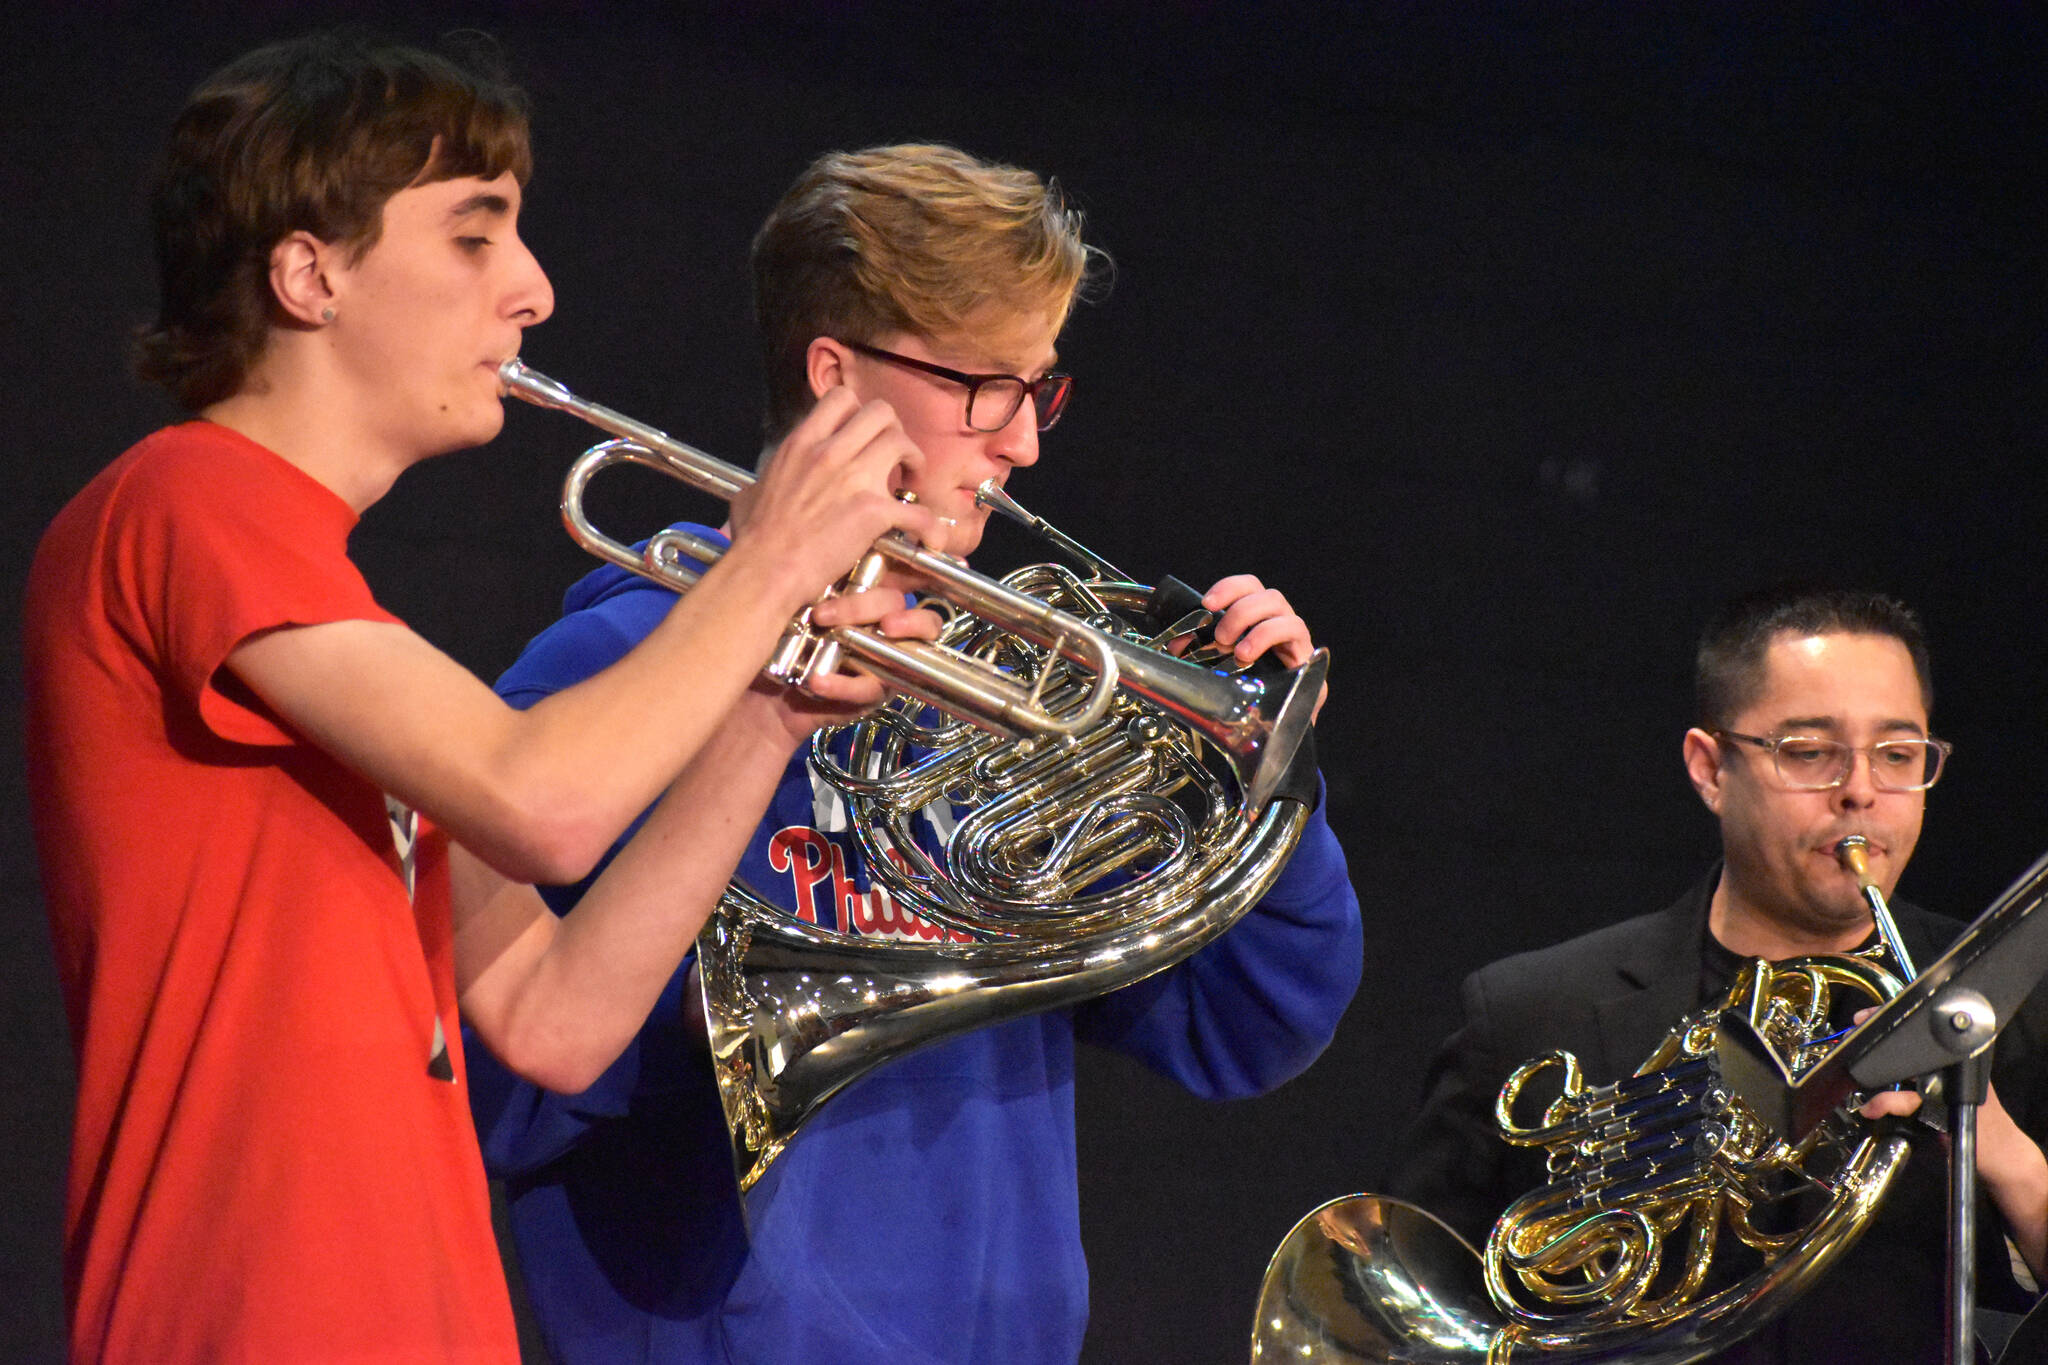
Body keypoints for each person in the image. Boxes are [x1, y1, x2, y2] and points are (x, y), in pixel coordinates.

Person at [22, 34, 941, 1363]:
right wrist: (771, 561)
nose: (534, 291)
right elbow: (547, 803)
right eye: (473, 236)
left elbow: (560, 1018)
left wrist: (771, 716)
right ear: (308, 273)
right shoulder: (190, 501)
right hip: (250, 1317)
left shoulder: (334, 636)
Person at [466, 143, 1364, 1364]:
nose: (1022, 446)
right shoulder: (606, 670)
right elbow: (501, 1077)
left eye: (1036, 390)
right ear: (835, 376)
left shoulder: (1011, 695)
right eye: (983, 390)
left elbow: (1247, 1024)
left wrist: (1253, 764)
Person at [1387, 586, 2048, 1364]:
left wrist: (2002, 1149)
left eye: (1898, 755)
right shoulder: (1533, 1011)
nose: (1861, 791)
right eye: (1810, 752)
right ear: (1710, 768)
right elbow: (1414, 1315)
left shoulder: (2011, 999)